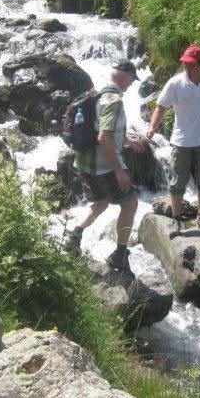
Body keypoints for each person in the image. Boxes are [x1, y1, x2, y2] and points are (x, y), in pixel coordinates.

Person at [64, 59, 144, 273]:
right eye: (131, 80)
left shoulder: (98, 94)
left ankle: (75, 234)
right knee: (130, 204)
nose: (130, 85)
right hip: (104, 166)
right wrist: (119, 171)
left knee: (103, 200)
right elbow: (104, 137)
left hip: (83, 162)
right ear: (125, 77)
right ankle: (120, 254)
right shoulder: (114, 100)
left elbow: (101, 127)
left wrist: (127, 140)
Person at [145, 44, 200, 237]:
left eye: (191, 65)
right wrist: (152, 127)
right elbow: (160, 106)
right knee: (177, 182)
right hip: (181, 141)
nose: (187, 68)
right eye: (185, 64)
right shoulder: (175, 83)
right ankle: (176, 219)